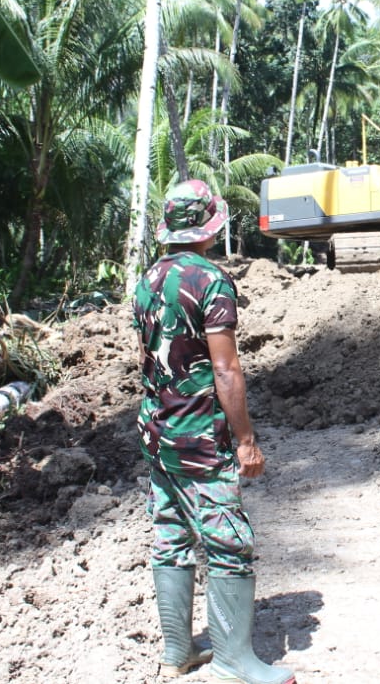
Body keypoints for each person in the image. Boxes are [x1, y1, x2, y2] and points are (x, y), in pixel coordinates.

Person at [132, 179, 295, 684]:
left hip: (159, 432)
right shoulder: (211, 281)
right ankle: (232, 661)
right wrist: (245, 439)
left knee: (171, 535)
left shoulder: (147, 279)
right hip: (202, 434)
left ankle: (177, 652)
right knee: (228, 542)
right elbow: (225, 371)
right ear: (210, 226)